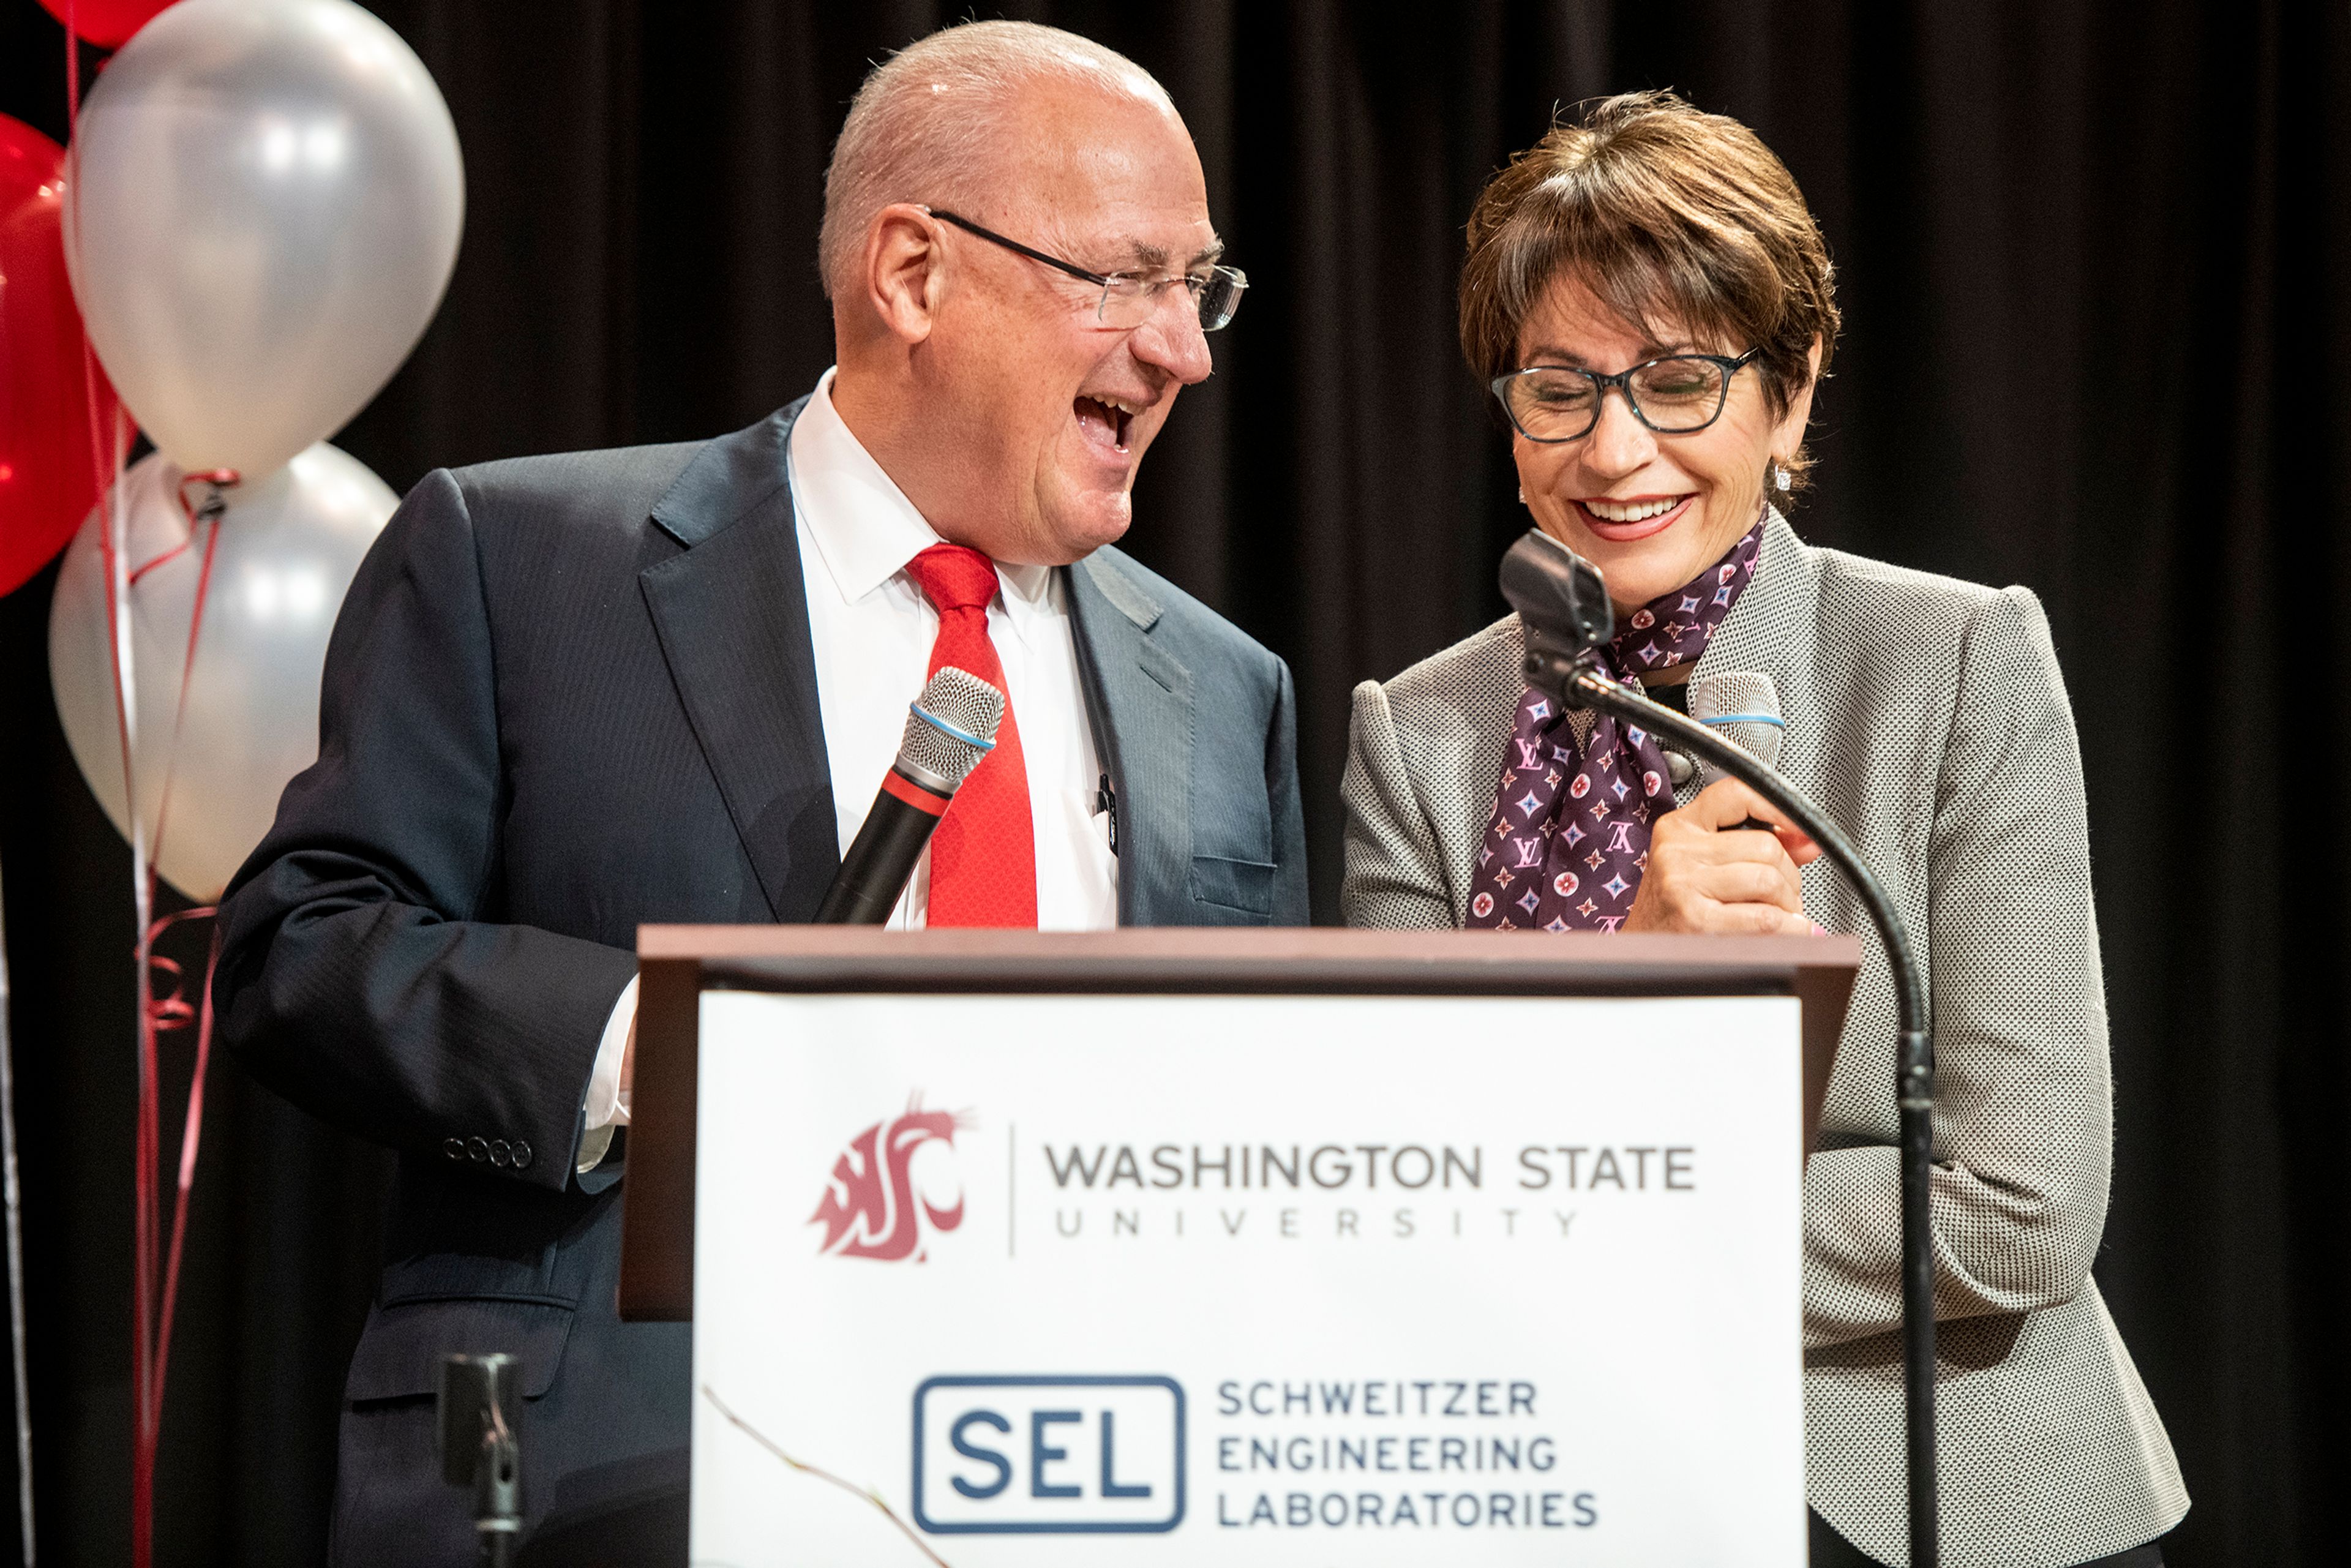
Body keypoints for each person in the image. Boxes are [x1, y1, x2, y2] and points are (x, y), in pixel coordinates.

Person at [215, 21, 1307, 1564]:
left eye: (1200, 290)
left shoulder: (1225, 684)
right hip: (611, 1485)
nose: (1184, 349)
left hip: (1086, 1482)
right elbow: (304, 948)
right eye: (1124, 279)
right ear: (914, 273)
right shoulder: (520, 560)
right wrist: (634, 1046)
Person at [1341, 92, 2185, 1567]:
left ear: (1788, 397)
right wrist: (1627, 973)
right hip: (1554, 1488)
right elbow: (1403, 1194)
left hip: (1937, 1487)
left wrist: (1586, 1228)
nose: (1613, 453)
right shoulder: (1419, 733)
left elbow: (2020, 1205)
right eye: (1558, 387)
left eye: (1678, 382)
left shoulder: (1952, 658)